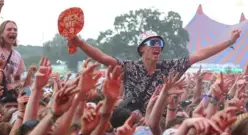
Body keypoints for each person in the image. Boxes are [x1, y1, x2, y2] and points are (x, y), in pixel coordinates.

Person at [71, 29, 241, 112]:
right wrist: (80, 43)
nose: (157, 47)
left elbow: (198, 55)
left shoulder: (168, 67)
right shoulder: (130, 67)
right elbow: (103, 58)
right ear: (142, 49)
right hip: (132, 122)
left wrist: (229, 42)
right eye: (153, 43)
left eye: (159, 44)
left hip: (159, 123)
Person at [0, 0, 26, 90]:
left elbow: (18, 80)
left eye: (15, 30)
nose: (13, 31)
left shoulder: (18, 56)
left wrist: (13, 86)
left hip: (5, 96)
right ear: (1, 34)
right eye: (9, 29)